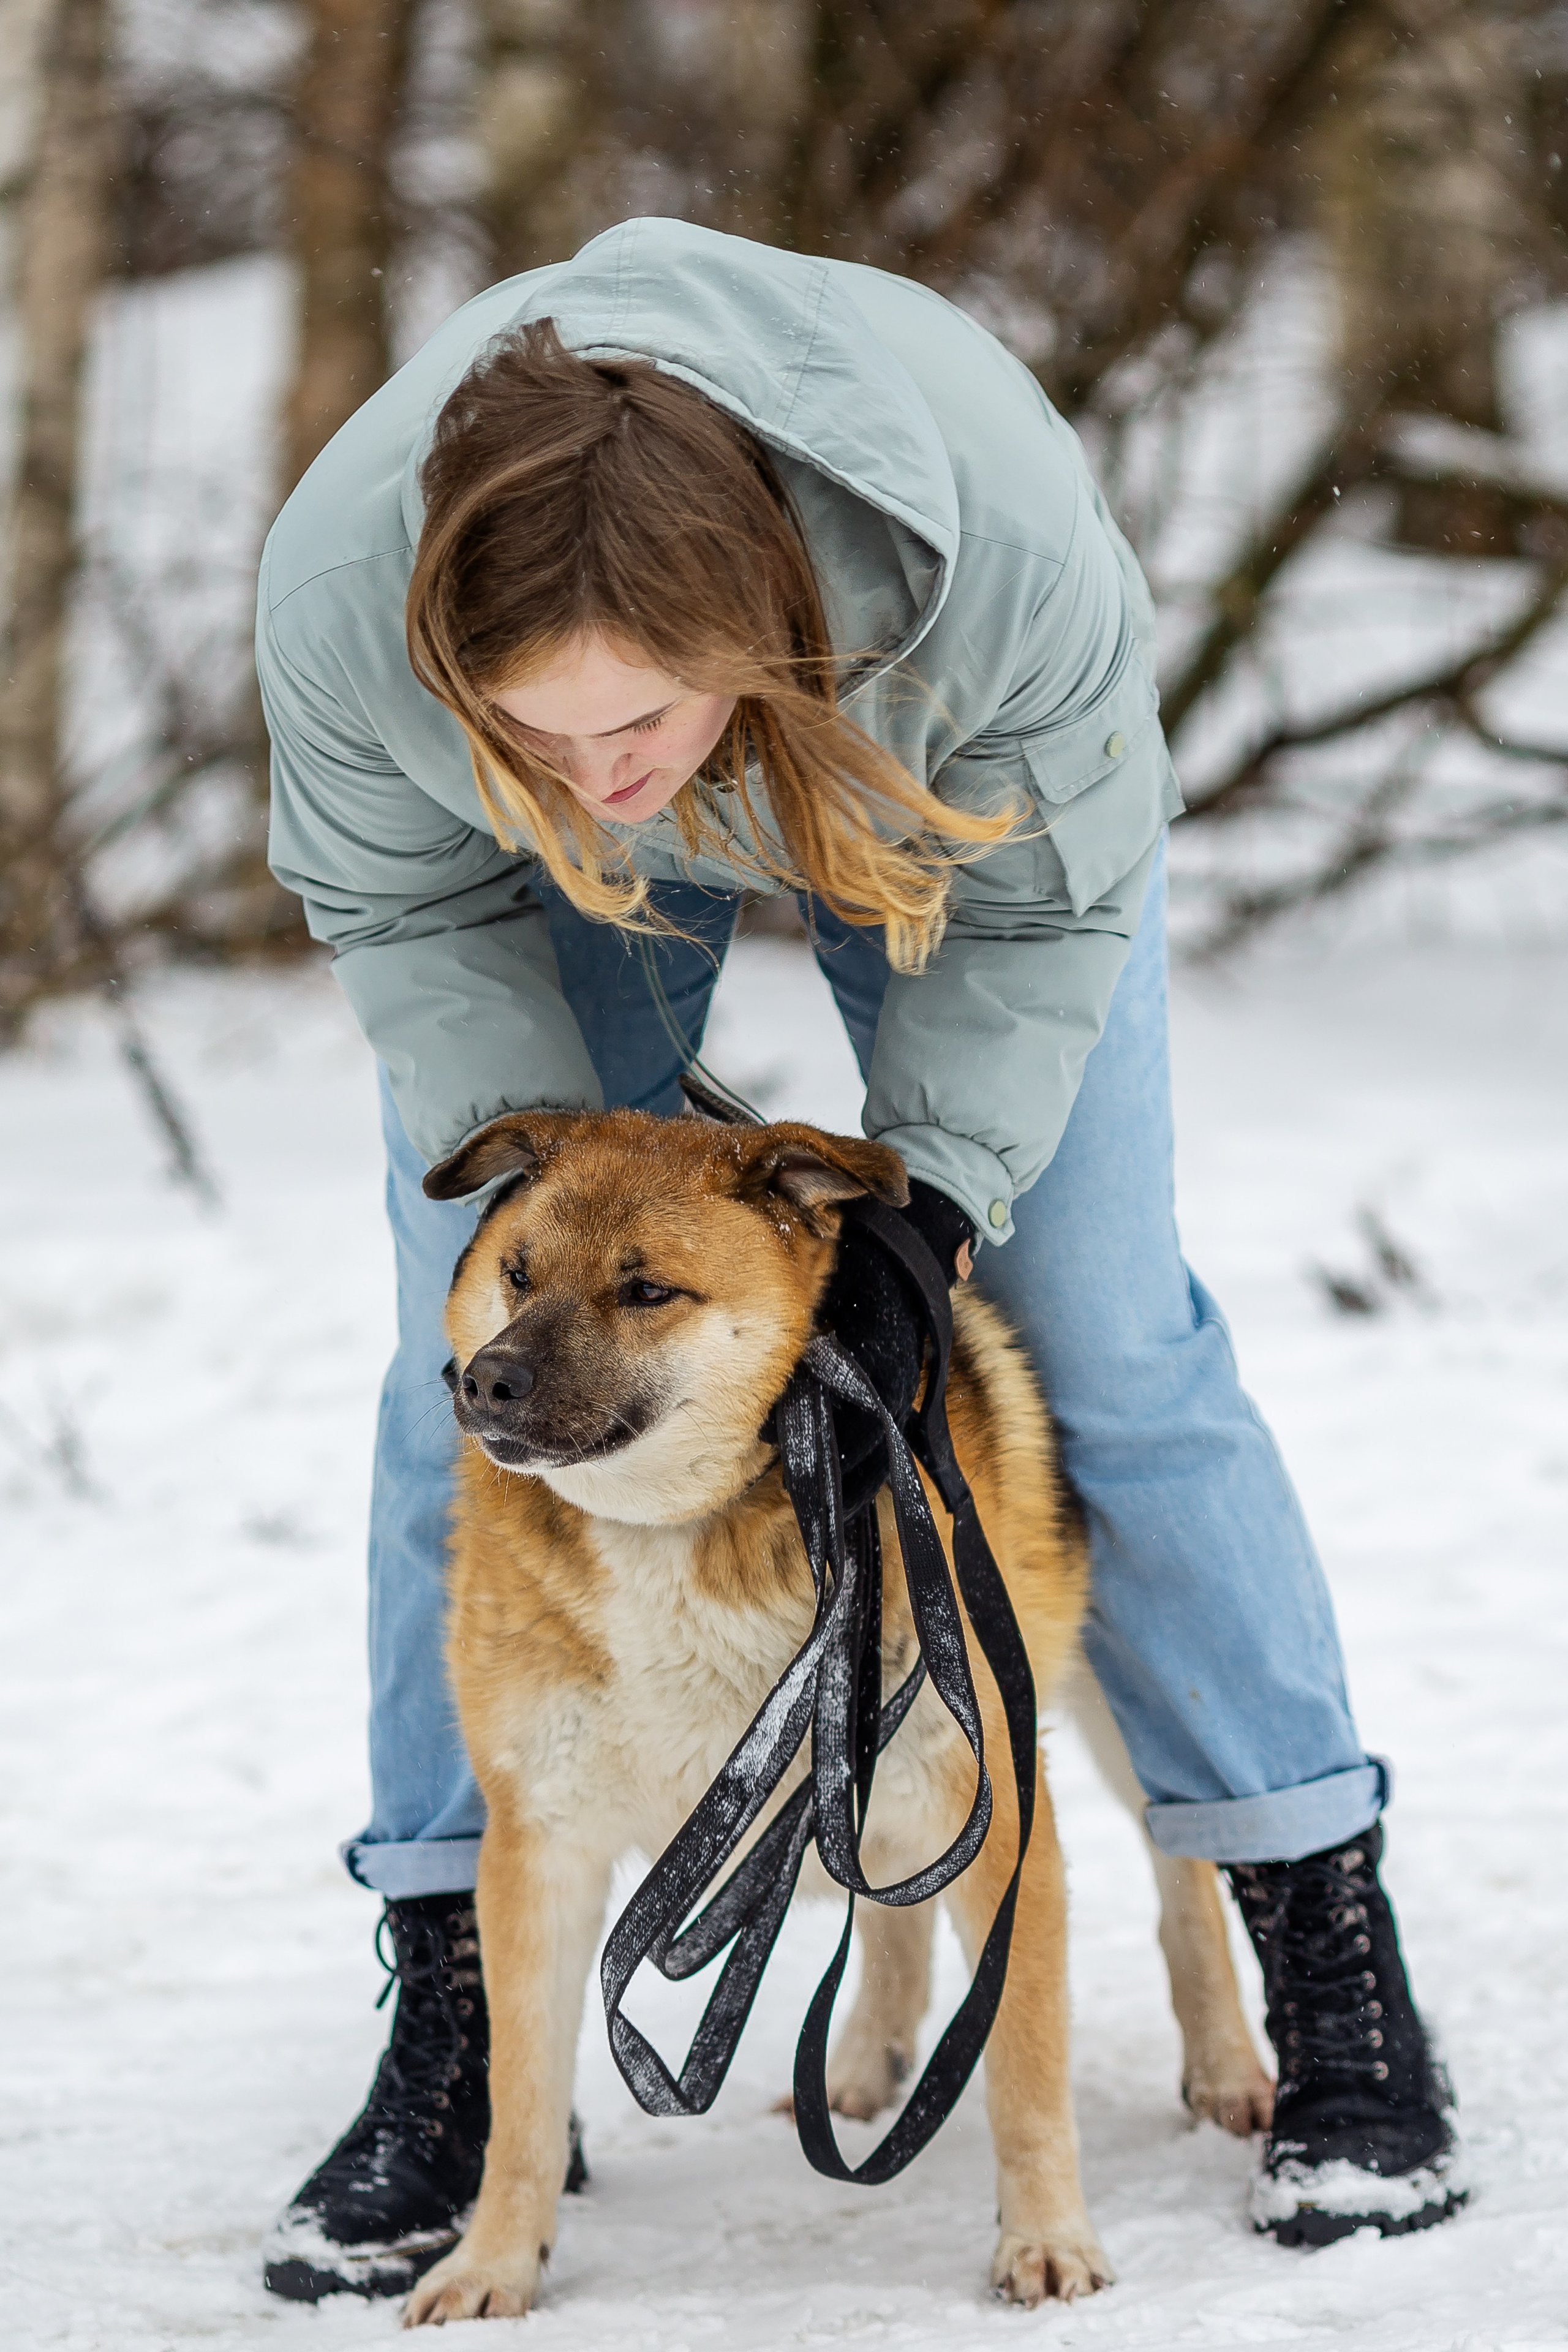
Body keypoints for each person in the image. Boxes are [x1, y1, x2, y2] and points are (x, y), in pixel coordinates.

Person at [255, 217, 1460, 2304]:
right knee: (455, 1377)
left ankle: (1312, 1922)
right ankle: (459, 2000)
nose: (596, 779)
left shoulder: (982, 550)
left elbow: (1054, 914)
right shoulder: (352, 610)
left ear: (744, 624)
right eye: (532, 731)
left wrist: (934, 1209)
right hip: (508, 892)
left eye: (624, 723)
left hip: (936, 801)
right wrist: (559, 1206)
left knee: (1107, 1346)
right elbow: (416, 923)